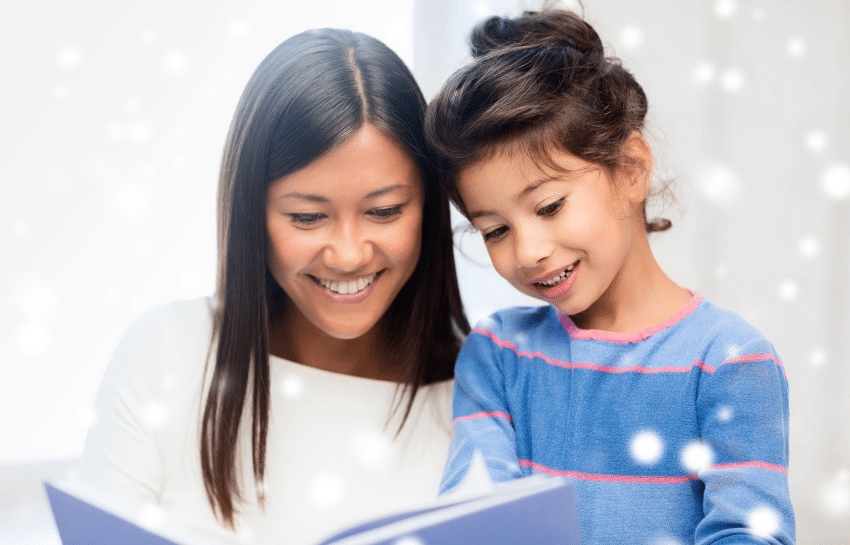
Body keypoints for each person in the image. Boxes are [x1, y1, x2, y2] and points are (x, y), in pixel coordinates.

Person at [68, 28, 469, 545]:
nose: (348, 254)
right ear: (252, 215)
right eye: (307, 217)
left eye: (384, 211)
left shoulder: (481, 395)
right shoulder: (165, 355)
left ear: (430, 207)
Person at [425, 8, 794, 545]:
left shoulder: (729, 361)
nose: (528, 252)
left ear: (630, 168)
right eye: (495, 230)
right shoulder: (500, 355)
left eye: (549, 206)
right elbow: (477, 522)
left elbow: (750, 534)